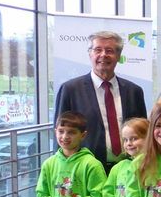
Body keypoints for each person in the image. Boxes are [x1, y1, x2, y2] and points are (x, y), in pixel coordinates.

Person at [53, 31, 147, 172]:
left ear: (118, 56)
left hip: (129, 170)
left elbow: (143, 133)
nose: (103, 54)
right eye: (98, 50)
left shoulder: (134, 91)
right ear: (90, 54)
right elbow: (60, 134)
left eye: (109, 50)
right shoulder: (70, 90)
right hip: (85, 172)